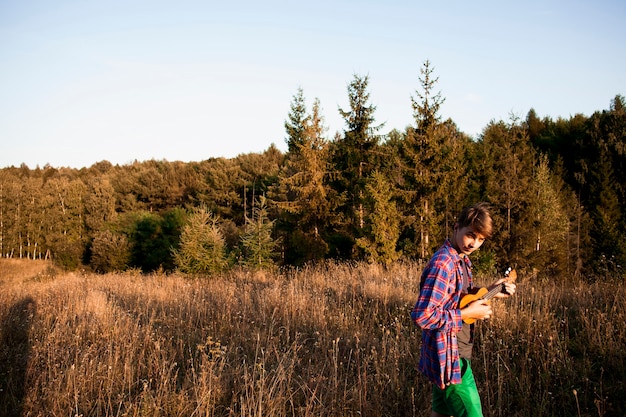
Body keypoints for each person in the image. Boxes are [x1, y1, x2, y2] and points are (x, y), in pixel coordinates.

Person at [411, 202, 516, 417]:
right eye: (470, 235)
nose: (474, 244)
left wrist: (492, 290)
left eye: (480, 239)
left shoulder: (461, 259)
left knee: (440, 413)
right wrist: (467, 314)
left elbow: (457, 297)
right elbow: (423, 315)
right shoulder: (444, 264)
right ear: (457, 227)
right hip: (450, 357)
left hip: (452, 351)